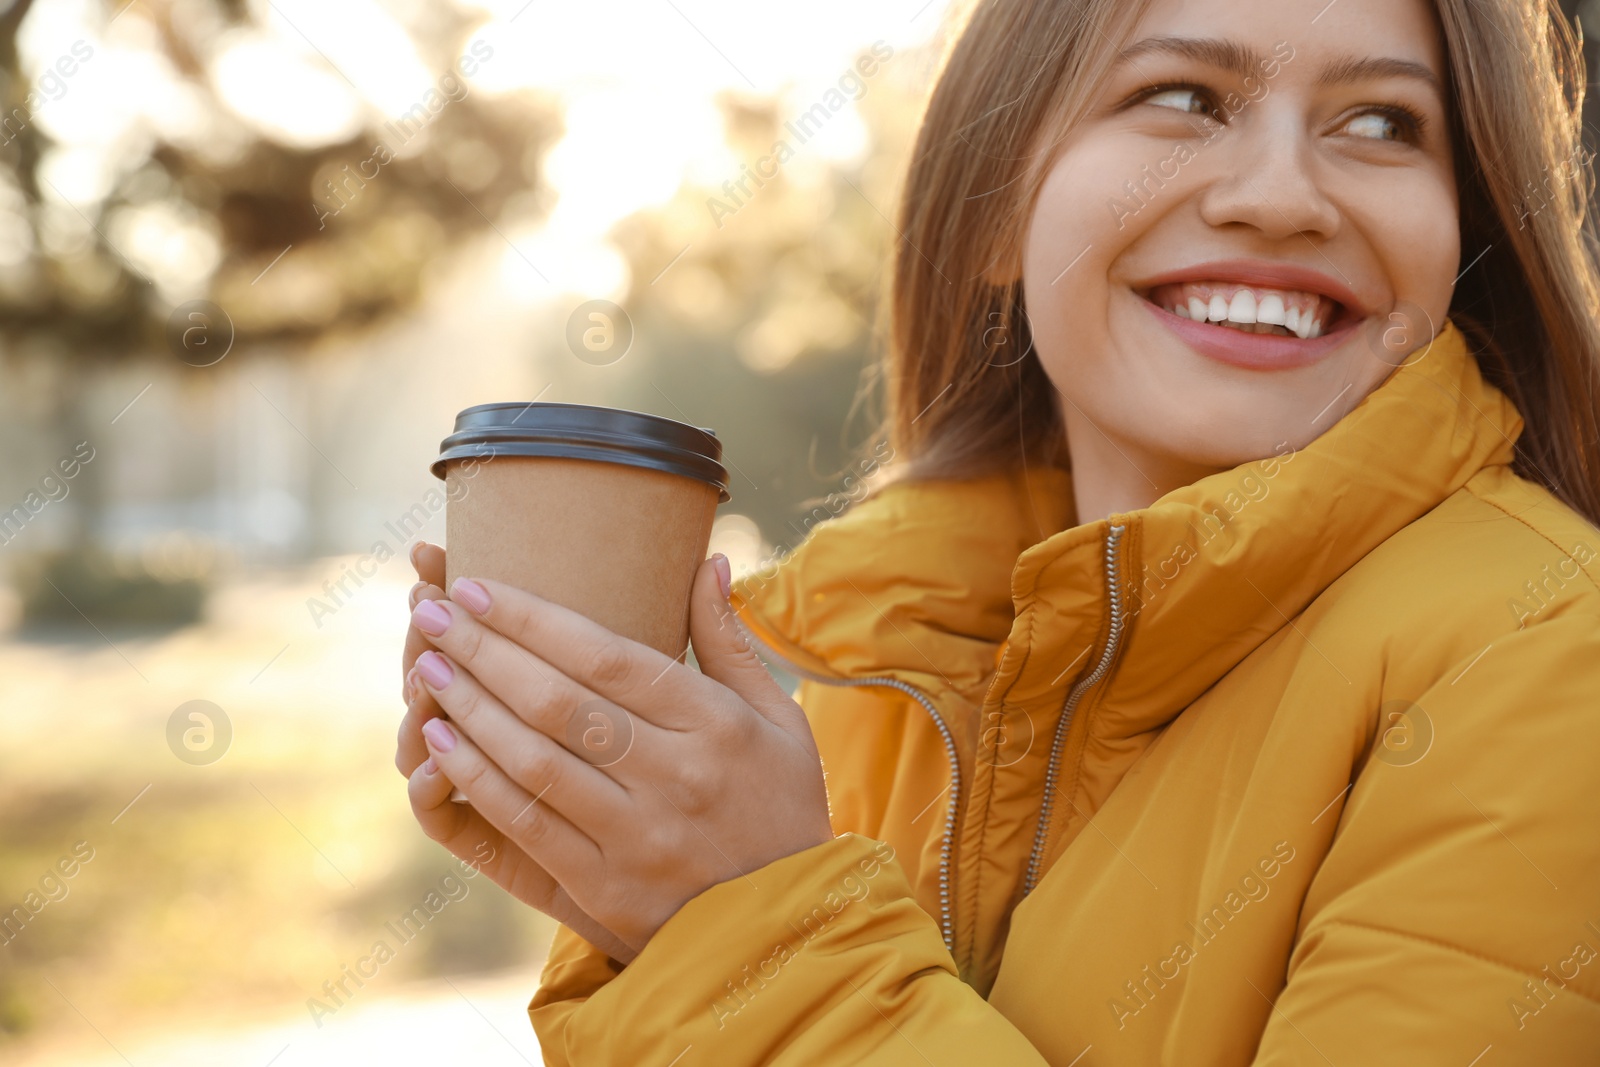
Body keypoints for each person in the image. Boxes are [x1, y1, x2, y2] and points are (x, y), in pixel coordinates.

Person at [397, 0, 1600, 1061]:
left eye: (1383, 122)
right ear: (993, 211)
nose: (1279, 195)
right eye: (1182, 97)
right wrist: (639, 907)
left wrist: (747, 926)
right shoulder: (857, 674)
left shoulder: (1550, 655)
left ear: (1465, 232)